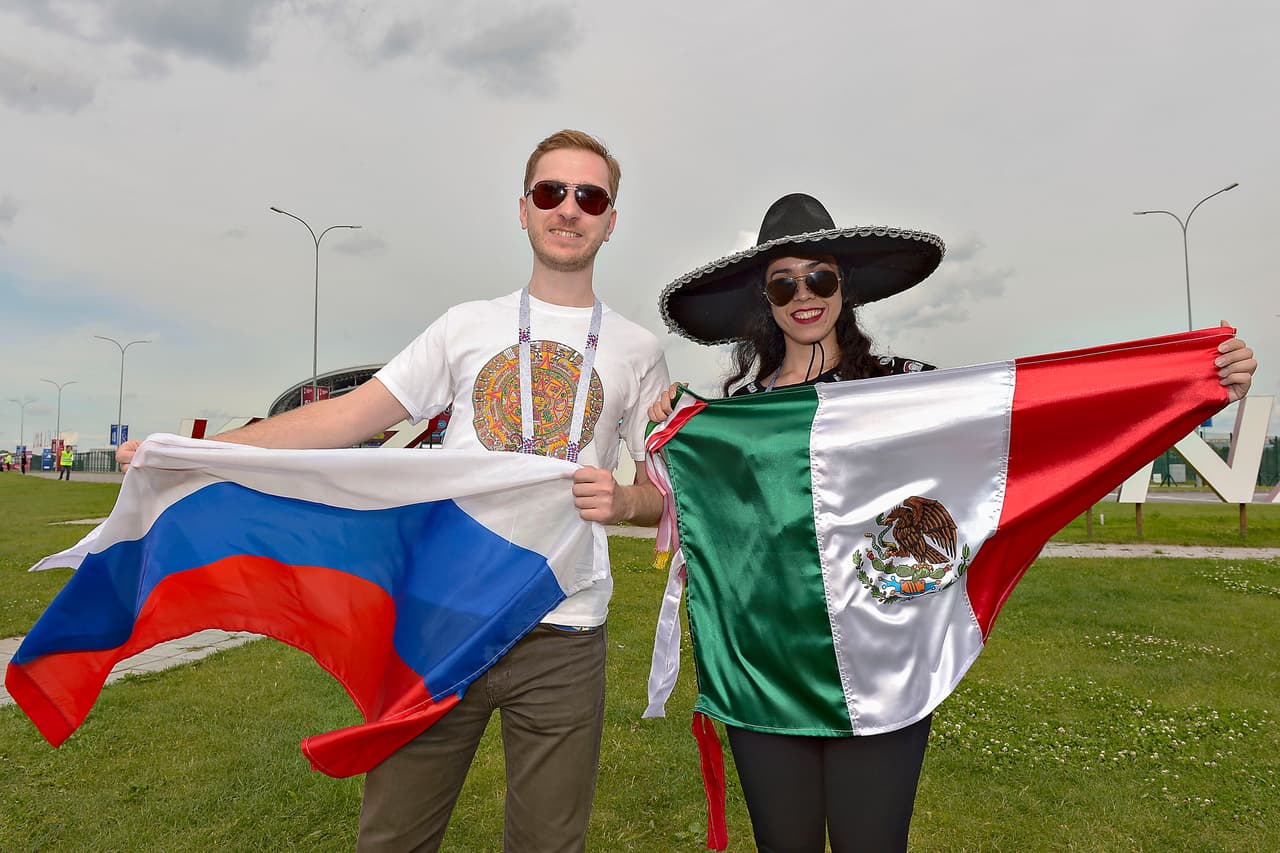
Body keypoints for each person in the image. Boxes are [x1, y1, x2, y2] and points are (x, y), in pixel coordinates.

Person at [648, 192, 1257, 853]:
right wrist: (675, 436)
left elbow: (1030, 425)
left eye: (819, 276)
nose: (805, 294)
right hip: (765, 677)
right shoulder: (736, 415)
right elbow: (706, 521)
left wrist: (1196, 382)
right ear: (764, 299)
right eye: (784, 282)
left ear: (842, 286)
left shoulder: (907, 387)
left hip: (883, 676)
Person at [118, 129, 670, 853]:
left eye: (588, 196)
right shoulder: (466, 326)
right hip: (444, 617)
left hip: (564, 633)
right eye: (551, 192)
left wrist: (626, 501)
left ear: (610, 219)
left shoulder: (638, 349)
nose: (568, 209)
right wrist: (195, 452)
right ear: (524, 209)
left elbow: (670, 494)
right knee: (394, 837)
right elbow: (348, 418)